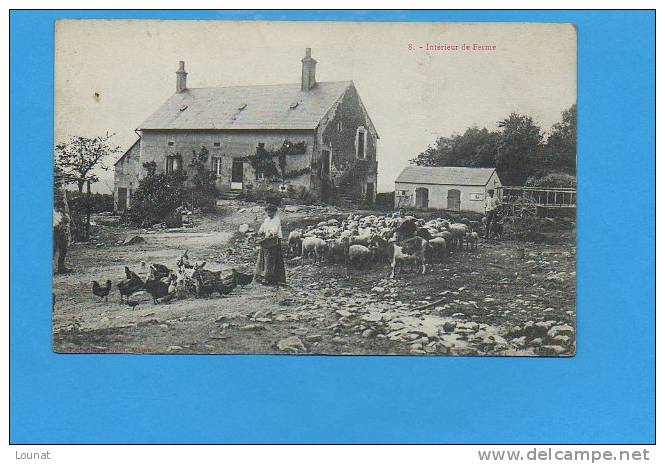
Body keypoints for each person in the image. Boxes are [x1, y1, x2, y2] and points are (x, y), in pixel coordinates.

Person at [254, 203, 286, 285]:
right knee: (263, 258)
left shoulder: (276, 220)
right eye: (268, 212)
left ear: (274, 212)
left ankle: (270, 278)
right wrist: (260, 232)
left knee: (271, 259)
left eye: (271, 212)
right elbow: (263, 227)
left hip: (274, 241)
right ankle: (261, 275)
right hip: (266, 241)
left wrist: (269, 234)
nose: (269, 213)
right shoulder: (267, 220)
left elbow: (274, 230)